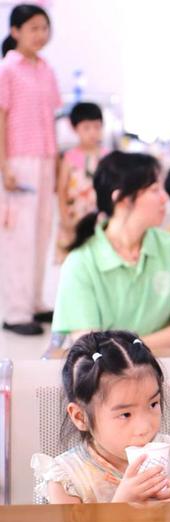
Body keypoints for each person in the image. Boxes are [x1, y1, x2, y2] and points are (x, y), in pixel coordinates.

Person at [52, 151, 170, 348]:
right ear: (122, 199)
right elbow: (90, 347)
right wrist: (140, 348)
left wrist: (127, 348)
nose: (164, 198)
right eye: (154, 190)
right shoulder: (80, 262)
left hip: (167, 365)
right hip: (105, 369)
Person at [30, 331, 170, 503]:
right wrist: (120, 505)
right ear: (80, 417)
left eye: (153, 404)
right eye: (125, 414)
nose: (144, 427)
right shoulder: (67, 479)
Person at [0, 4, 61, 335]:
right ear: (15, 31)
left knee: (41, 233)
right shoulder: (7, 69)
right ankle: (16, 312)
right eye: (33, 28)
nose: (40, 34)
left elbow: (52, 118)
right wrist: (4, 165)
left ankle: (35, 302)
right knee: (19, 237)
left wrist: (58, 164)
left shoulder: (46, 68)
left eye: (44, 28)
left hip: (46, 158)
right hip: (19, 160)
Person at [55, 102, 107, 263]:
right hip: (74, 217)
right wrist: (64, 218)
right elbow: (62, 190)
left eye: (97, 127)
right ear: (75, 128)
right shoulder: (69, 157)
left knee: (98, 257)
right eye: (86, 128)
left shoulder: (107, 157)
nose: (93, 133)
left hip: (100, 218)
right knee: (74, 258)